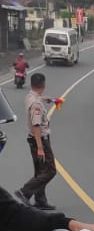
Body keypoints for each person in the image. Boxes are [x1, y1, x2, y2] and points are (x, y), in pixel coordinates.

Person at [14, 73, 57, 210]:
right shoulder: (36, 104)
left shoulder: (31, 96)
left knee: (40, 171)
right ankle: (24, 191)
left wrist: (49, 99)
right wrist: (40, 147)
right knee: (50, 170)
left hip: (33, 139)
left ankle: (40, 200)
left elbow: (38, 98)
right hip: (39, 139)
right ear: (43, 85)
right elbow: (36, 125)